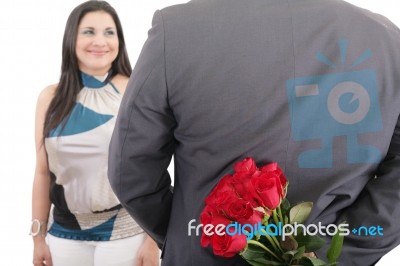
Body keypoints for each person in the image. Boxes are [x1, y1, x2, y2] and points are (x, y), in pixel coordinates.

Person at [107, 0, 400, 265]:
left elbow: (129, 172)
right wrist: (336, 253)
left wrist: (192, 234)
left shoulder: (176, 30)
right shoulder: (385, 37)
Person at [31, 1, 160, 266]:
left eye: (109, 32)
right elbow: (43, 172)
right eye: (89, 31)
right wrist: (38, 237)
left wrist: (152, 239)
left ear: (119, 40)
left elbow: (153, 168)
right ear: (71, 38)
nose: (100, 41)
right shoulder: (49, 97)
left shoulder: (134, 90)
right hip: (64, 236)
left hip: (126, 235)